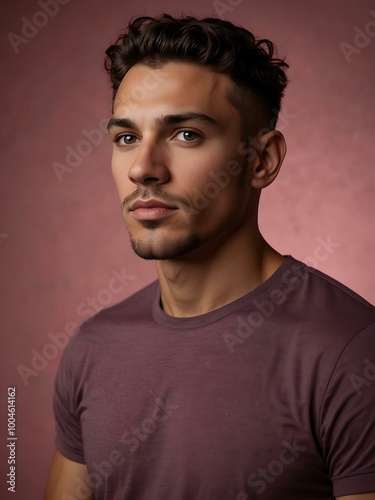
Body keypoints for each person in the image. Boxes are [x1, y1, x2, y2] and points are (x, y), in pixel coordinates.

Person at [44, 13, 375, 500]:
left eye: (186, 135)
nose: (143, 168)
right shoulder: (93, 349)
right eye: (127, 138)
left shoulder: (351, 354)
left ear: (262, 161)